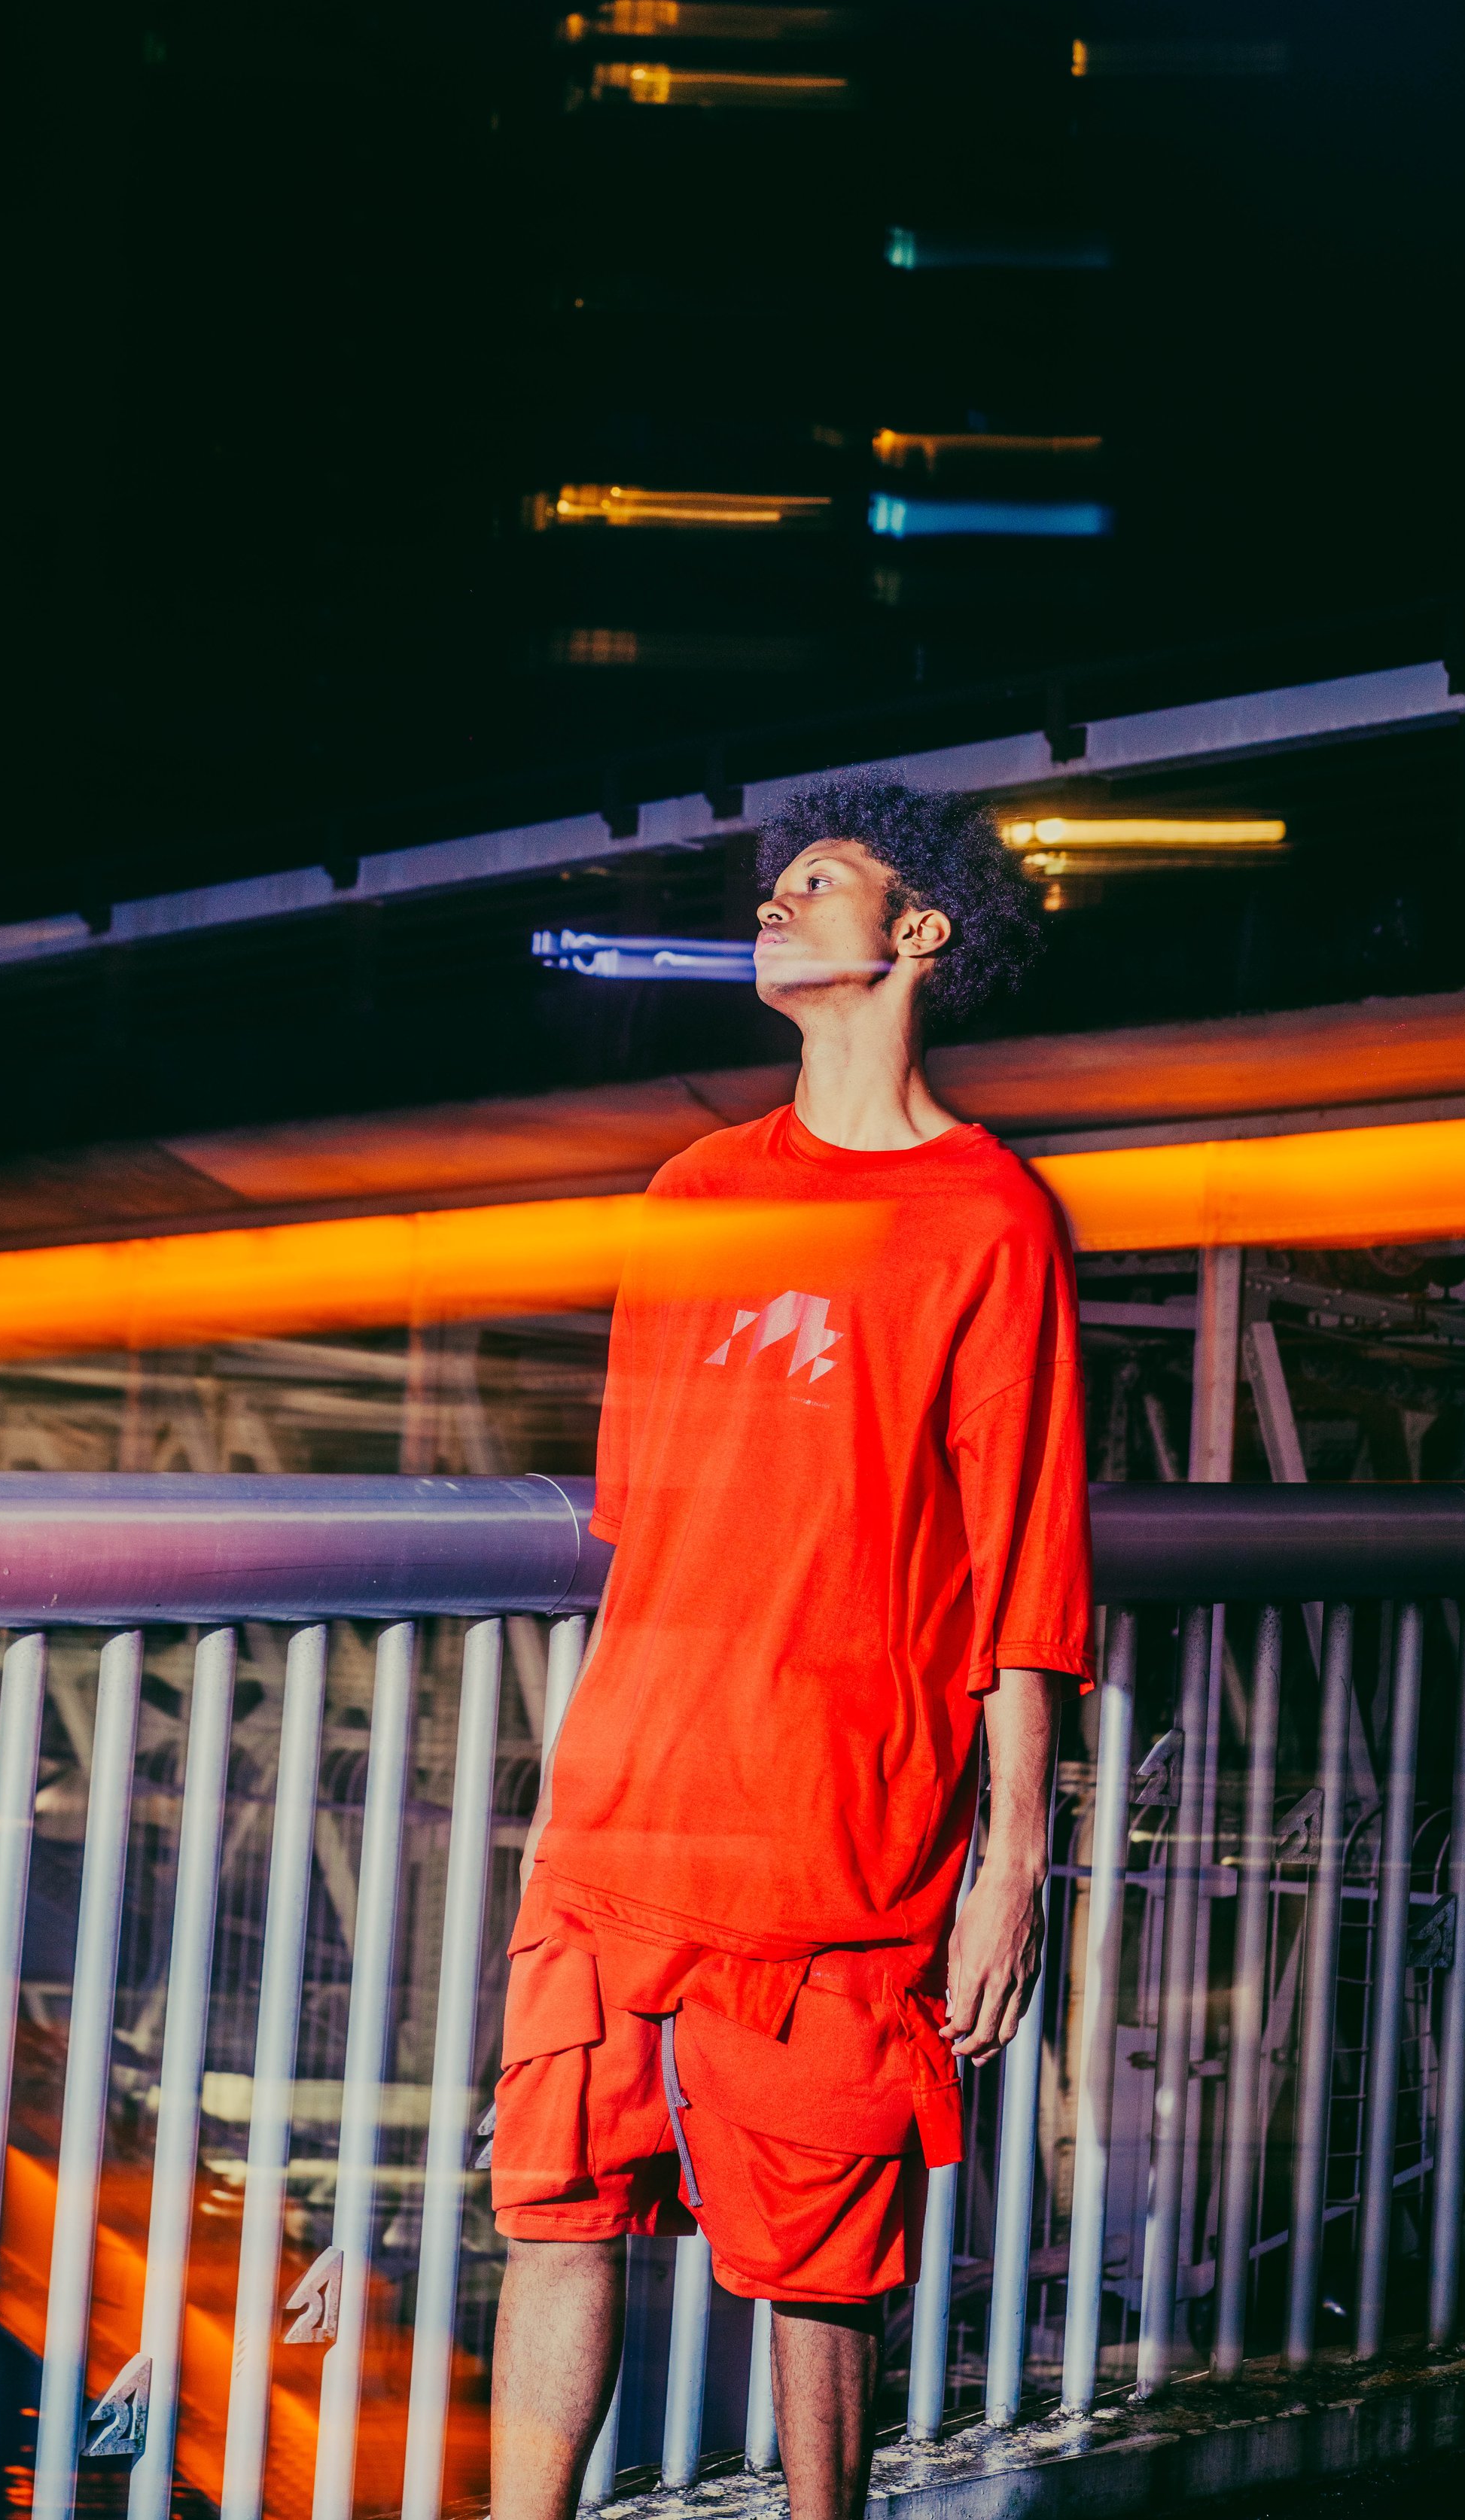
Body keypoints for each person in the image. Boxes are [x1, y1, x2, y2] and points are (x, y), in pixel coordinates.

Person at [488, 775, 1094, 2520]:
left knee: (822, 2255)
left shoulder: (986, 1217)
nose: (770, 899)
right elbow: (641, 1525)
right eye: (768, 882)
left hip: (844, 1826)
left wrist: (1011, 1861)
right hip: (622, 1816)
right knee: (553, 2211)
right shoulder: (694, 1189)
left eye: (815, 879)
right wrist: (574, 1781)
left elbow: (1022, 1561)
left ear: (920, 931)